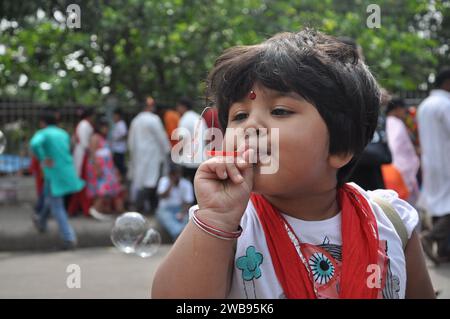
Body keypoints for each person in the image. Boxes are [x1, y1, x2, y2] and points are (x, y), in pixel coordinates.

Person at [152, 29, 434, 299]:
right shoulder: (227, 227)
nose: (250, 126)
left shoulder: (391, 222)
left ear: (341, 147)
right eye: (239, 116)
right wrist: (216, 219)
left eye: (279, 111)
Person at [30, 109, 85, 249]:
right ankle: (41, 221)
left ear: (42, 122)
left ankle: (69, 238)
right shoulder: (63, 133)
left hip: (54, 175)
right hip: (66, 172)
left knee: (57, 206)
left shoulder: (42, 133)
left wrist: (43, 157)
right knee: (49, 198)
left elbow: (35, 144)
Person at [418, 68, 450, 265]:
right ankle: (429, 237)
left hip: (431, 162)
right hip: (446, 162)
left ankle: (443, 250)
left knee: (440, 206)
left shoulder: (425, 105)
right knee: (447, 206)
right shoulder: (445, 104)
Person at [128, 96, 171, 214]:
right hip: (152, 156)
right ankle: (141, 206)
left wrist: (133, 155)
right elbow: (162, 138)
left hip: (140, 156)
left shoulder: (135, 120)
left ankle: (146, 207)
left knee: (145, 182)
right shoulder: (154, 119)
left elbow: (130, 142)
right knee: (151, 182)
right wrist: (168, 151)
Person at [86, 118, 124, 220]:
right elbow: (93, 154)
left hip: (106, 168)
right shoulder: (95, 137)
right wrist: (97, 168)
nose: (106, 129)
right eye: (105, 127)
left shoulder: (103, 138)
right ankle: (95, 209)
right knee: (103, 189)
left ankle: (100, 209)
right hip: (100, 167)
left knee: (106, 189)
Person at [385, 98, 420, 204]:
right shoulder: (395, 123)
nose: (405, 112)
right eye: (403, 109)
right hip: (401, 167)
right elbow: (395, 146)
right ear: (397, 109)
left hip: (399, 166)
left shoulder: (388, 121)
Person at [156, 164, 194, 241]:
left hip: (181, 209)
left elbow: (188, 202)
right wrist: (170, 185)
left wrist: (182, 213)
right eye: (172, 174)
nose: (174, 176)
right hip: (165, 209)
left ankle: (179, 234)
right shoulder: (164, 181)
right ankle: (179, 233)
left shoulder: (186, 184)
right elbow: (162, 196)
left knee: (188, 217)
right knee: (166, 217)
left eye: (176, 173)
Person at [68, 108, 94, 216]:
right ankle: (82, 208)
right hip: (83, 156)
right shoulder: (85, 125)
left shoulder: (82, 125)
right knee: (82, 183)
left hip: (81, 154)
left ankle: (76, 208)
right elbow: (85, 143)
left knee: (81, 184)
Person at [175, 96, 207, 184]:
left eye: (178, 106)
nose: (177, 109)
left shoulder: (184, 119)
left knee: (189, 188)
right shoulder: (199, 117)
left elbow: (182, 140)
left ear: (183, 107)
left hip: (189, 162)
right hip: (202, 160)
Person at [111, 108, 128, 180]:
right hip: (116, 148)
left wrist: (116, 139)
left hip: (120, 149)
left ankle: (123, 179)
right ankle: (120, 179)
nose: (113, 118)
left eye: (115, 116)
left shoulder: (121, 124)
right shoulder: (117, 124)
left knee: (120, 165)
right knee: (117, 165)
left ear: (118, 116)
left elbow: (124, 135)